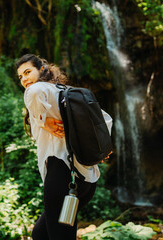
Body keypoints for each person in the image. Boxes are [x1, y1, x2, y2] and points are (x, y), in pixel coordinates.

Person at [16, 54, 112, 240]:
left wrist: (42, 121)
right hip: (85, 181)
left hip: (60, 175)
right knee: (40, 234)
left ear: (42, 69)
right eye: (20, 77)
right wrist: (102, 149)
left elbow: (34, 92)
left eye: (28, 72)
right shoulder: (68, 90)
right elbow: (106, 119)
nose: (24, 79)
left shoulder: (36, 89)